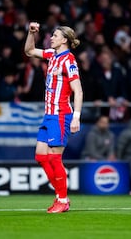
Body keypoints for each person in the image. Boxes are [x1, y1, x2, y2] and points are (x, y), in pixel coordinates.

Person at [24, 21, 83, 213]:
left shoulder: (69, 60)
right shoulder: (52, 55)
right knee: (41, 156)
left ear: (64, 40)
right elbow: (29, 51)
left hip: (60, 115)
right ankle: (60, 196)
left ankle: (63, 199)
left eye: (55, 36)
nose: (51, 38)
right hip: (48, 115)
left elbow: (78, 91)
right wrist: (31, 33)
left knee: (55, 158)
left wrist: (76, 116)